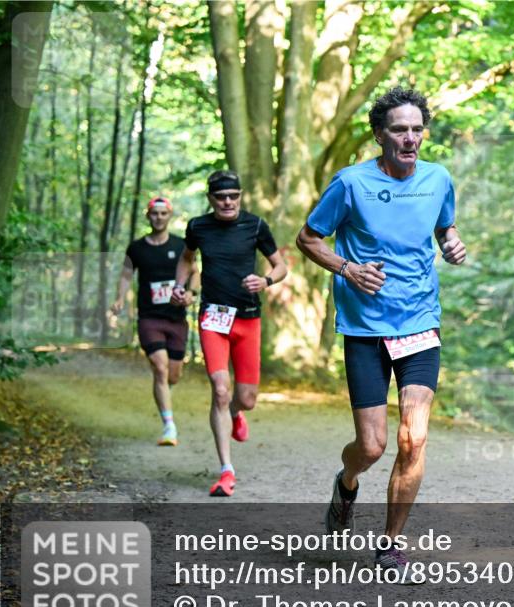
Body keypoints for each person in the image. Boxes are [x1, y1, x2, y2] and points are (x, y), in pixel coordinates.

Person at [296, 87, 467, 573]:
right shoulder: (350, 183)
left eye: (416, 129)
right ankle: (347, 482)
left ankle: (391, 545)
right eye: (399, 130)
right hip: (366, 327)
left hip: (419, 323)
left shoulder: (438, 179)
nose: (410, 138)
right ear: (379, 135)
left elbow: (444, 228)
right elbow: (308, 238)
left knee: (413, 438)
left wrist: (452, 243)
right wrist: (346, 268)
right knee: (371, 446)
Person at [171, 170, 287, 497]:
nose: (227, 202)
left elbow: (280, 266)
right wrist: (180, 287)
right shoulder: (197, 227)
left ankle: (236, 412)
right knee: (220, 389)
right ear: (211, 199)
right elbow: (187, 259)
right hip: (213, 318)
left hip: (248, 319)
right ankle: (226, 471)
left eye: (233, 196)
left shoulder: (255, 226)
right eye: (221, 197)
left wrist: (266, 281)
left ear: (240, 197)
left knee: (246, 399)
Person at [111, 196, 195, 446]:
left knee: (173, 375)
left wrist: (192, 294)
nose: (158, 217)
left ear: (169, 216)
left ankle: (164, 394)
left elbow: (195, 273)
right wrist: (120, 300)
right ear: (148, 216)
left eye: (163, 213)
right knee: (160, 368)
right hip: (149, 318)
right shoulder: (136, 248)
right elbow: (126, 275)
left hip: (176, 318)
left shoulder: (182, 245)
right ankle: (169, 426)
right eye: (154, 213)